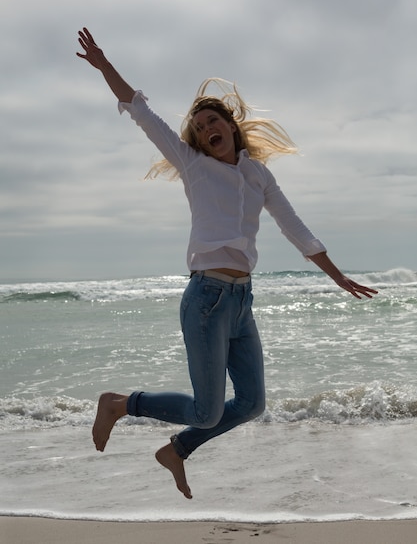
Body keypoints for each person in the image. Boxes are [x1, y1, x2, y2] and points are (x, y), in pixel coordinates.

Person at [76, 27, 378, 500]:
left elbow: (294, 226)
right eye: (198, 128)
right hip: (206, 299)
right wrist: (105, 66)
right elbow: (141, 111)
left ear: (231, 125)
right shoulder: (192, 164)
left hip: (240, 301)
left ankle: (177, 450)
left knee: (252, 403)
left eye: (212, 122)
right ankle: (119, 404)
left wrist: (337, 276)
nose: (205, 130)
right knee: (206, 410)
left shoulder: (258, 175)